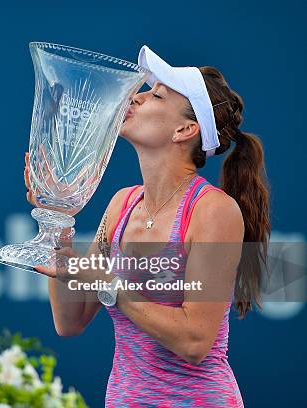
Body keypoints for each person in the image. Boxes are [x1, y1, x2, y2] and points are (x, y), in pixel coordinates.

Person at [24, 46, 270, 407]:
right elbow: (70, 320)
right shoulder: (122, 204)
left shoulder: (213, 211)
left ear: (185, 129)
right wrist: (57, 220)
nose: (135, 98)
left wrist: (111, 287)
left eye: (155, 94)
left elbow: (195, 342)